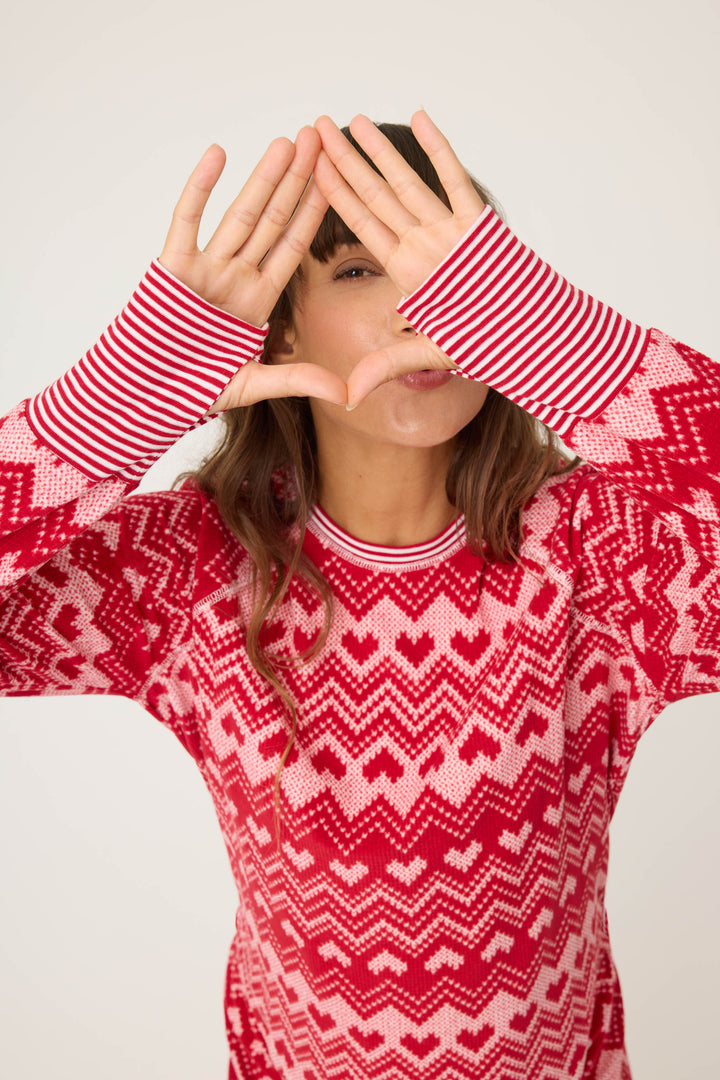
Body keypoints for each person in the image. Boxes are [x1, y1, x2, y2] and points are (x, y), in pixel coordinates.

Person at [1, 110, 718, 1080]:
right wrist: (125, 398)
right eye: (355, 271)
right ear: (279, 322)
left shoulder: (599, 559)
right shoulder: (195, 569)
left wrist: (571, 348)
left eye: (456, 278)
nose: (423, 307)